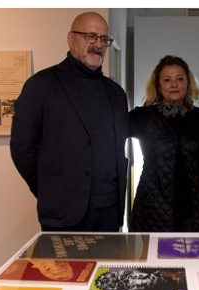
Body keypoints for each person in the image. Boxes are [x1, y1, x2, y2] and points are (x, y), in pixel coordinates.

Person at [10, 12, 129, 232]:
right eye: (90, 36)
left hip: (110, 212)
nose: (98, 45)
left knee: (106, 267)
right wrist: (49, 188)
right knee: (66, 269)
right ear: (71, 39)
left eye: (104, 39)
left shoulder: (116, 94)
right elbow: (22, 148)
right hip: (64, 213)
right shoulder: (41, 86)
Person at [128, 55, 199, 232]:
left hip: (196, 208)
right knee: (156, 258)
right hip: (153, 207)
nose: (174, 85)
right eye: (167, 80)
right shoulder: (143, 116)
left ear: (188, 83)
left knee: (196, 258)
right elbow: (110, 130)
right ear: (158, 86)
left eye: (180, 79)